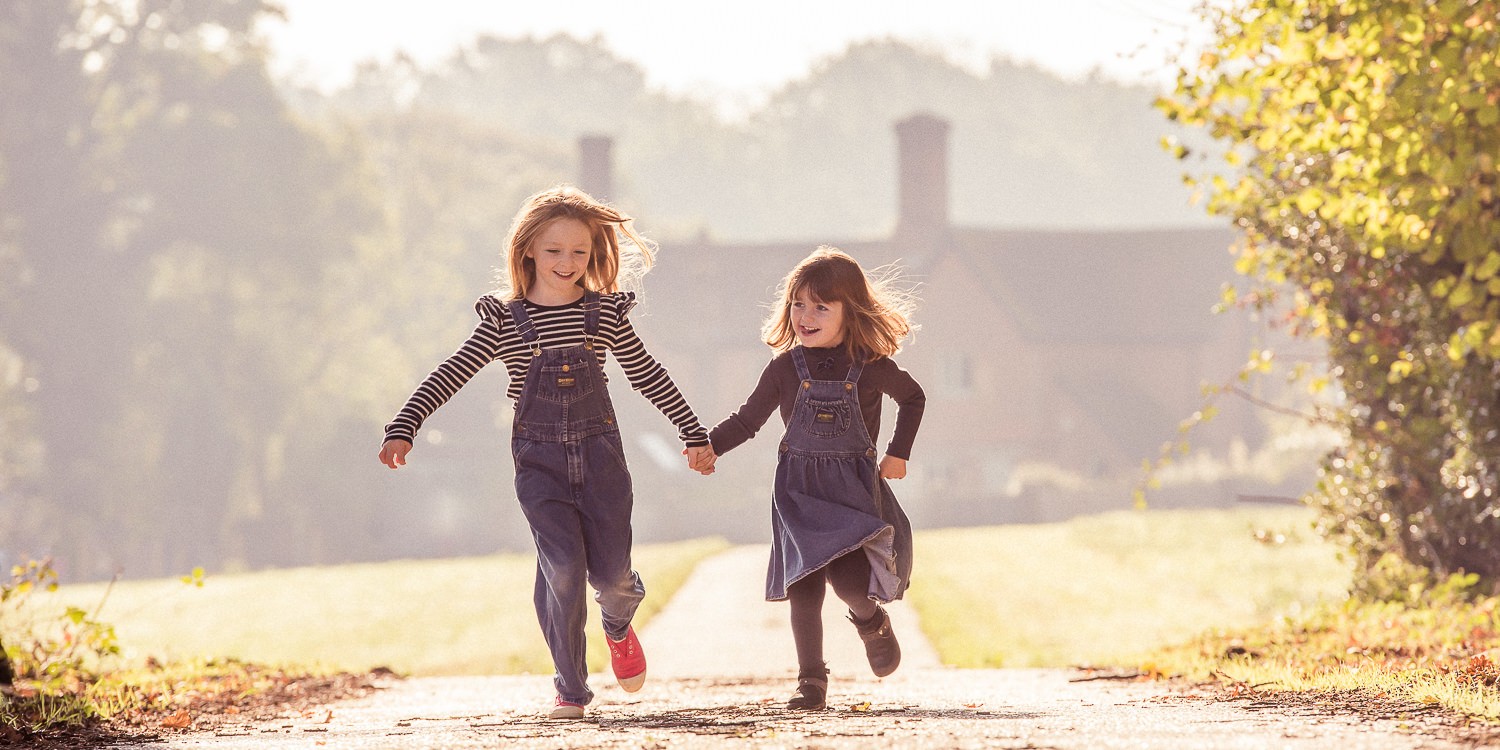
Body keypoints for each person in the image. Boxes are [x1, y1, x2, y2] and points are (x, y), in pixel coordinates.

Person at [379, 185, 713, 720]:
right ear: (528, 249)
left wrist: (693, 433)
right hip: (539, 464)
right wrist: (406, 422)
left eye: (579, 251)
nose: (567, 262)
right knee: (560, 567)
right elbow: (452, 373)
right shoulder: (505, 322)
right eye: (554, 250)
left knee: (611, 579)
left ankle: (619, 624)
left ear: (594, 254)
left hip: (601, 459)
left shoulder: (603, 315)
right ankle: (571, 688)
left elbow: (648, 373)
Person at [690, 246, 925, 711]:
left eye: (821, 305)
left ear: (849, 311)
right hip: (798, 495)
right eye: (798, 303)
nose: (806, 315)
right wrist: (711, 445)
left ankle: (870, 619)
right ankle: (811, 681)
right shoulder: (784, 368)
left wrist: (898, 453)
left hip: (853, 496)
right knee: (804, 587)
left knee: (849, 582)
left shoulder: (870, 366)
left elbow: (914, 397)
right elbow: (748, 419)